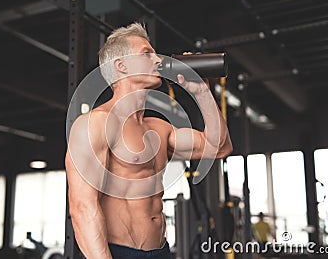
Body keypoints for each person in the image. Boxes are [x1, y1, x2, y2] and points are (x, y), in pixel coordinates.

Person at [65, 22, 232, 259]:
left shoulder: (159, 128)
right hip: (117, 252)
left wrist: (201, 93)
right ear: (121, 66)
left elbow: (219, 147)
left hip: (160, 251)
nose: (158, 60)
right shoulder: (95, 124)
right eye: (147, 54)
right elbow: (83, 209)